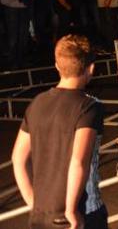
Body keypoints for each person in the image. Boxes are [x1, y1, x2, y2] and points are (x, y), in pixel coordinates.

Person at [12, 35, 108, 229]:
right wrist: (71, 210)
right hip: (82, 211)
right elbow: (79, 161)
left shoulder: (37, 103)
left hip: (42, 214)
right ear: (91, 68)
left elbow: (18, 159)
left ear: (57, 66)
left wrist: (33, 202)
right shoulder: (89, 107)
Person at [1, 0, 34, 69]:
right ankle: (12, 61)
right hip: (12, 12)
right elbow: (3, 0)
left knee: (23, 37)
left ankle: (21, 59)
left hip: (24, 10)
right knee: (13, 38)